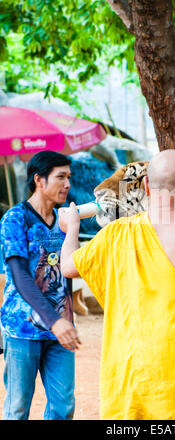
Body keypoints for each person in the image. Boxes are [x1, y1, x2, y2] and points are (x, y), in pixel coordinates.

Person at [59, 149, 175, 420]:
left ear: (146, 185)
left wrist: (72, 227)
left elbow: (68, 266)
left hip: (129, 375)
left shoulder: (114, 234)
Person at [0, 150, 81, 420]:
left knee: (63, 407)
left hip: (60, 332)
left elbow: (71, 267)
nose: (67, 184)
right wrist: (53, 320)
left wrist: (72, 231)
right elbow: (19, 275)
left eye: (69, 177)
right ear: (39, 180)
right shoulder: (15, 219)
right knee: (18, 408)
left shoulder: (65, 219)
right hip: (23, 329)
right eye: (60, 177)